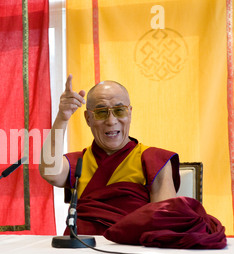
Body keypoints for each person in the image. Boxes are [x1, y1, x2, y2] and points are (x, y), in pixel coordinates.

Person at [39, 75, 180, 235]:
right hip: (82, 251)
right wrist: (62, 117)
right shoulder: (78, 162)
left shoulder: (152, 160)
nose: (111, 121)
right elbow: (50, 171)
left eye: (119, 111)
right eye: (101, 112)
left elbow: (164, 222)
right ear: (88, 118)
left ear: (130, 113)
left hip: (132, 251)